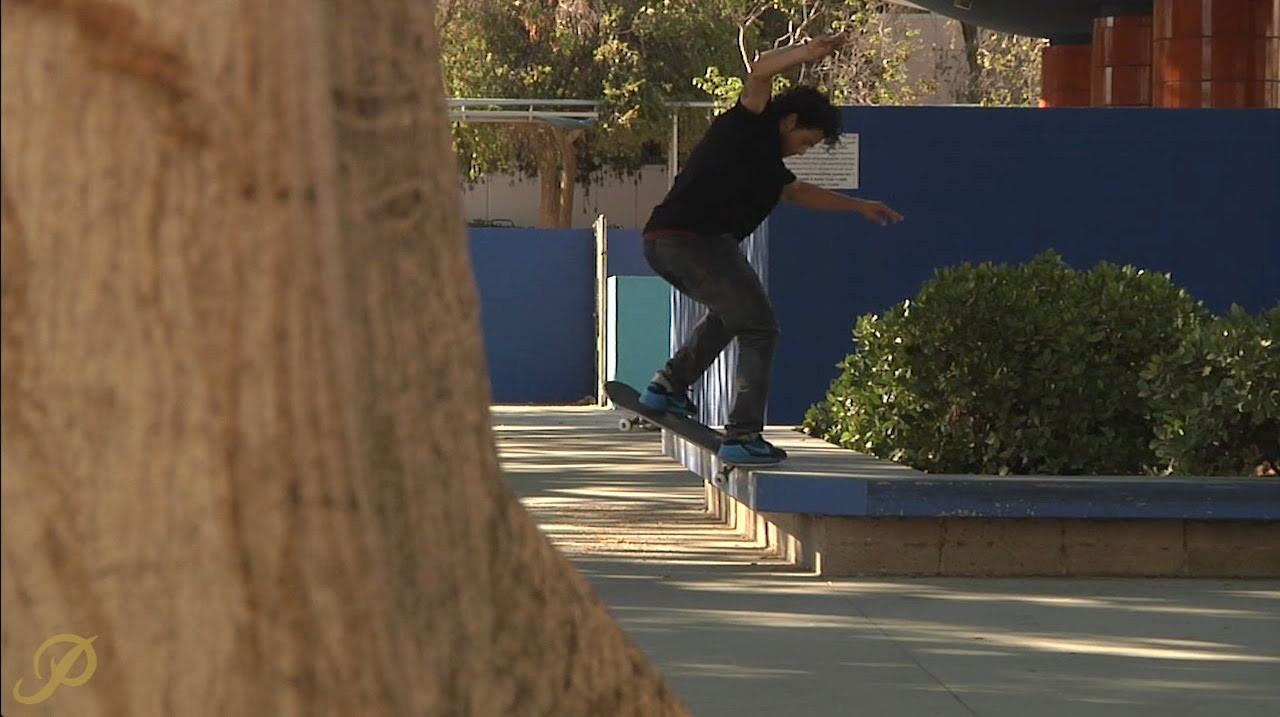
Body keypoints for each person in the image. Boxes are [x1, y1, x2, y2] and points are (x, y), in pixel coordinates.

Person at [638, 33, 903, 465]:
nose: (803, 151)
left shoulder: (770, 168)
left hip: (668, 243)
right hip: (693, 241)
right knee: (761, 327)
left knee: (734, 315)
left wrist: (858, 206)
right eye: (805, 141)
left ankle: (666, 388)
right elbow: (760, 69)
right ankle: (742, 434)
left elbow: (798, 193)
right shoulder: (750, 124)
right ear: (788, 121)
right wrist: (808, 53)